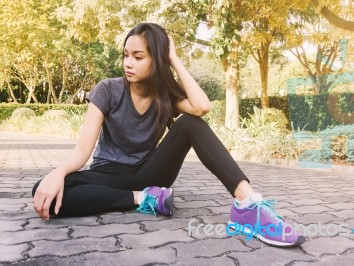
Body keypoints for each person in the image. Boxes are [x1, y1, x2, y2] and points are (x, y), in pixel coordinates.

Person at [32, 22, 305, 247]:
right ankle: (143, 199)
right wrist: (59, 172)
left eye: (138, 57)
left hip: (151, 172)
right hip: (108, 175)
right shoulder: (108, 90)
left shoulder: (164, 96)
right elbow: (83, 151)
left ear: (157, 59)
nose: (129, 63)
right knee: (42, 191)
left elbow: (202, 106)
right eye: (126, 55)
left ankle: (248, 205)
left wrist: (173, 58)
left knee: (190, 123)